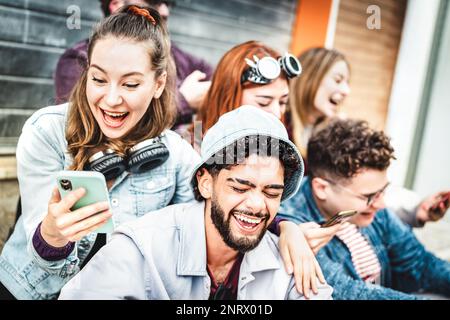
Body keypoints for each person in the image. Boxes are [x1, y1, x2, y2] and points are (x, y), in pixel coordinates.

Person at [0, 6, 200, 300]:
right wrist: (53, 237)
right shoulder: (46, 131)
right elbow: (41, 250)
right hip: (29, 290)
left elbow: (211, 214)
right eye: (98, 79)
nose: (111, 99)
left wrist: (284, 227)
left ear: (158, 84)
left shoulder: (177, 154)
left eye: (130, 84)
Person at [58, 105, 333, 300]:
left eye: (272, 193)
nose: (257, 205)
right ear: (205, 182)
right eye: (240, 186)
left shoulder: (291, 261)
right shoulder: (142, 246)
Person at [279, 119, 450, 299]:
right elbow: (346, 292)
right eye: (369, 196)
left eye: (382, 191)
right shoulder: (292, 226)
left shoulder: (374, 208)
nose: (382, 204)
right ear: (322, 188)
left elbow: (421, 264)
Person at [288, 47, 449, 228]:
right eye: (338, 80)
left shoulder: (334, 131)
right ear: (309, 78)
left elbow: (367, 190)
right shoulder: (281, 135)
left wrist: (416, 209)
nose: (346, 90)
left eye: (347, 82)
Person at [54, 0, 213, 130]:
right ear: (116, 4)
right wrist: (184, 100)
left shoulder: (176, 55)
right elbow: (82, 125)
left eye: (167, 3)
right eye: (154, 1)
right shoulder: (77, 58)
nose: (164, 10)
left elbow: (219, 79)